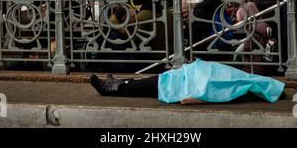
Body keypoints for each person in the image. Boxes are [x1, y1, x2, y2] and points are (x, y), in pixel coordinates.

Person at [90, 59, 286, 104]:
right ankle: (117, 83)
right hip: (185, 77)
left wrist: (198, 99)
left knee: (149, 84)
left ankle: (110, 88)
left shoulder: (245, 86)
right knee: (151, 82)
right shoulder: (247, 84)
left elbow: (218, 92)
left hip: (182, 83)